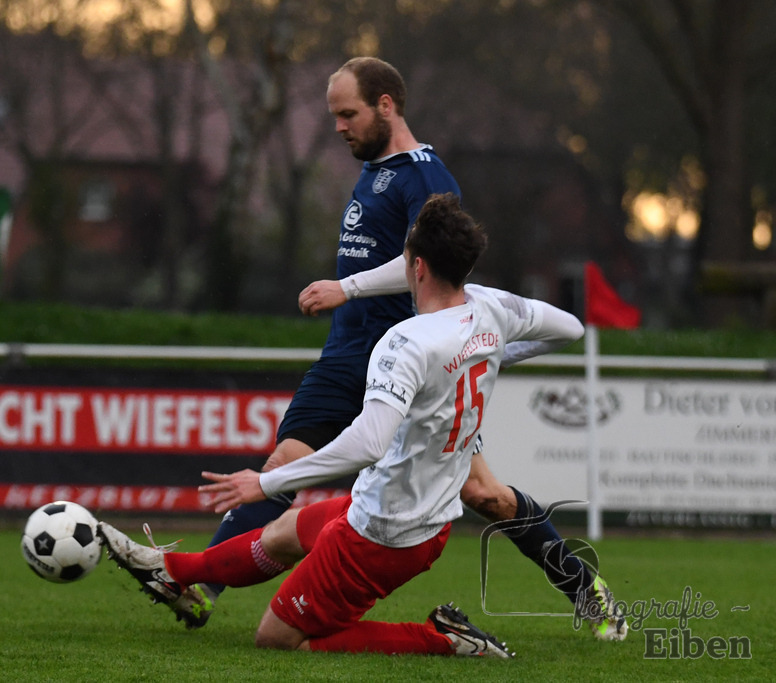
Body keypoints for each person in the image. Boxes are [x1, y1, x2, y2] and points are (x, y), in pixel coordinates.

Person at [174, 56, 626, 642]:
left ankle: (584, 589)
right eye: (335, 115)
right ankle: (198, 588)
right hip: (350, 350)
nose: (339, 127)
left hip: (410, 360)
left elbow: (424, 261)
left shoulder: (427, 177)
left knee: (486, 495)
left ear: (386, 105)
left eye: (348, 114)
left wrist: (349, 287)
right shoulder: (374, 172)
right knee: (283, 465)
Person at [96, 192, 583, 657]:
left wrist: (265, 483)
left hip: (387, 532)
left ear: (416, 267)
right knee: (282, 532)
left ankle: (447, 640)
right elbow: (570, 328)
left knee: (276, 638)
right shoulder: (490, 309)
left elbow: (367, 443)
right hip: (408, 510)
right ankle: (171, 571)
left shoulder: (407, 342)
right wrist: (495, 355)